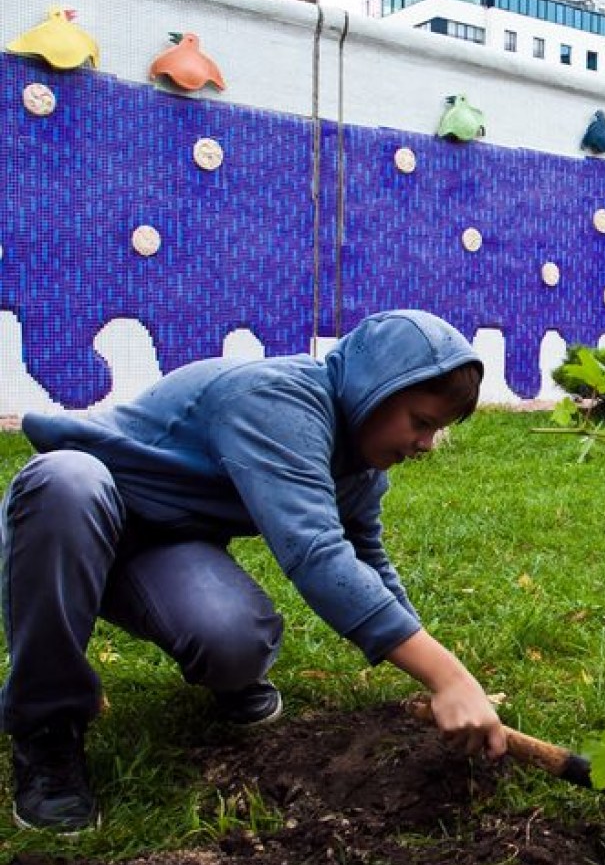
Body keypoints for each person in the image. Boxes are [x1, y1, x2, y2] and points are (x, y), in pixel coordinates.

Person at [1, 310, 508, 834]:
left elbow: (367, 563)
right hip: (76, 516)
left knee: (236, 640)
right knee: (66, 479)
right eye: (421, 422)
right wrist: (445, 677)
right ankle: (47, 727)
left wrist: (446, 677)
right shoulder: (278, 400)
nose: (426, 444)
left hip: (165, 544)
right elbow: (318, 556)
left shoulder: (358, 471)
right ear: (373, 390)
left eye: (437, 430)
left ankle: (230, 678)